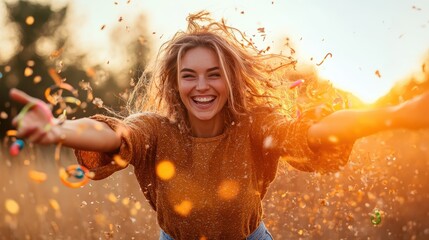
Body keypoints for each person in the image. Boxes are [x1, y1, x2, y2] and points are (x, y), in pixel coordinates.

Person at [8, 11, 429, 240]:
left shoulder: (254, 127)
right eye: (189, 75)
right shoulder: (155, 130)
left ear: (231, 79)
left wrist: (397, 115)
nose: (202, 86)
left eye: (214, 74)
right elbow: (114, 134)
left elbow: (314, 131)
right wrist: (60, 130)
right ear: (175, 82)